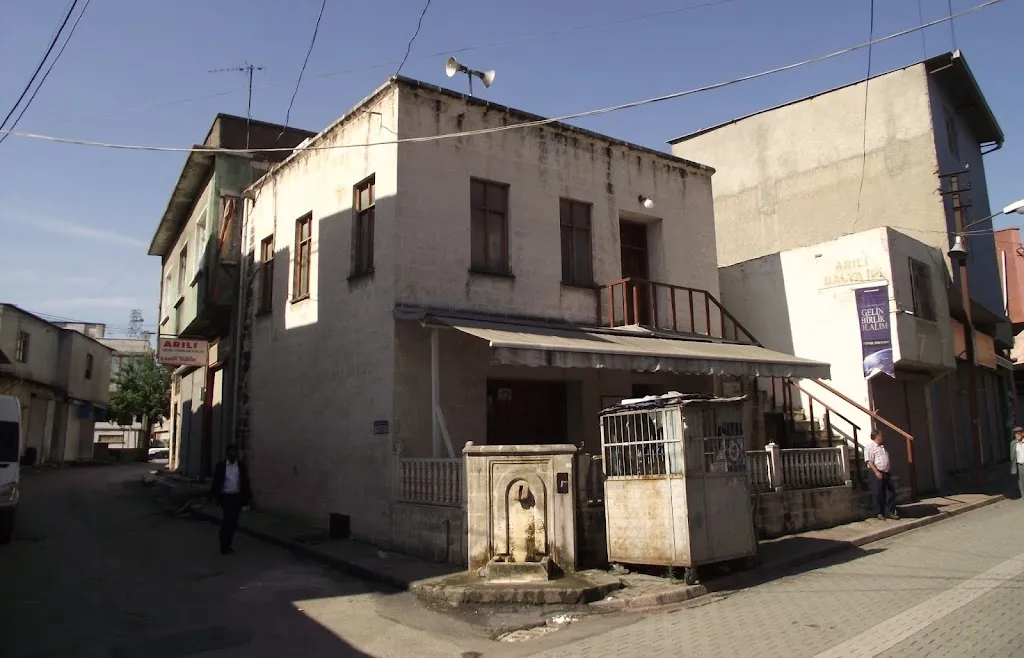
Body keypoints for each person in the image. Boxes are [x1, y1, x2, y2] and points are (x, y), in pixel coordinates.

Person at [210, 444, 252, 555]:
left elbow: (245, 482)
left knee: (234, 522)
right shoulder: (221, 466)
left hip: (237, 497)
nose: (235, 454)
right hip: (226, 496)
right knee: (227, 520)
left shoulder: (240, 466)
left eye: (236, 451)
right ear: (227, 453)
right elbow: (216, 482)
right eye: (232, 451)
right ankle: (223, 545)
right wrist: (213, 496)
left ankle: (228, 544)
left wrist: (247, 497)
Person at [865, 428, 899, 520]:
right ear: (876, 436)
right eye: (881, 435)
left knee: (890, 492)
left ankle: (889, 512)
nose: (882, 437)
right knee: (877, 493)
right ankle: (878, 512)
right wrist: (876, 472)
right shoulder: (870, 447)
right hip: (876, 472)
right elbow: (869, 461)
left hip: (886, 472)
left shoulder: (882, 446)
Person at [1010, 427, 1024, 499]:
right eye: (1016, 434)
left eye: (1018, 434)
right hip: (1020, 465)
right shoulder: (1013, 443)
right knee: (1021, 481)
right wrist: (1013, 466)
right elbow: (1012, 456)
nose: (1017, 435)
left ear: (1022, 434)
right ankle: (1023, 495)